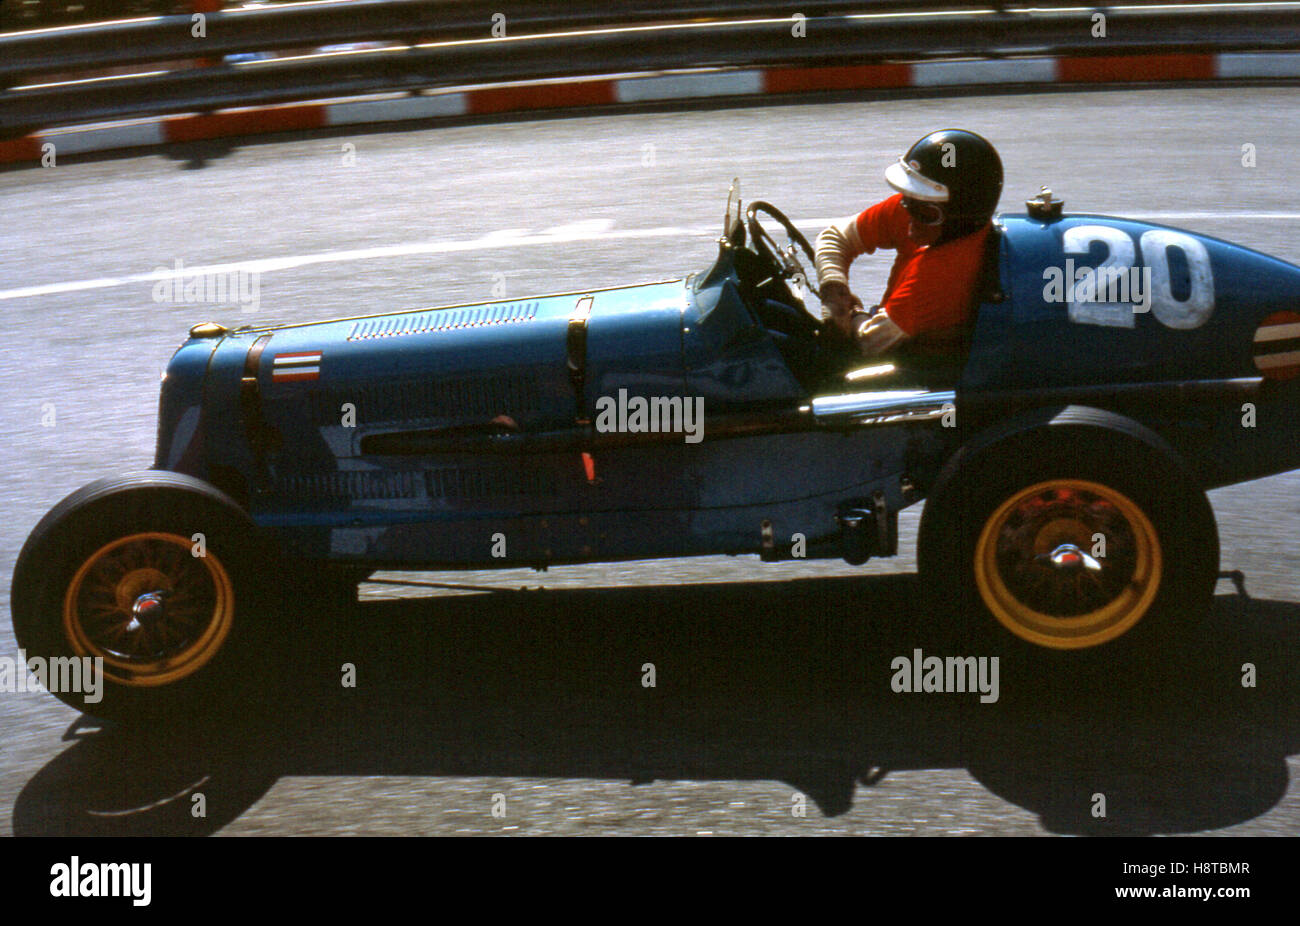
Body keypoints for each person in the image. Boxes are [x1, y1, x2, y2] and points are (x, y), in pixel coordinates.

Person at [815, 129, 1003, 359]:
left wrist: (853, 315)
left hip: (917, 360)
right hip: (892, 327)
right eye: (909, 197)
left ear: (960, 216)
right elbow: (835, 236)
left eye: (925, 210)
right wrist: (834, 288)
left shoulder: (943, 273)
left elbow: (870, 342)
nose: (909, 218)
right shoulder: (912, 210)